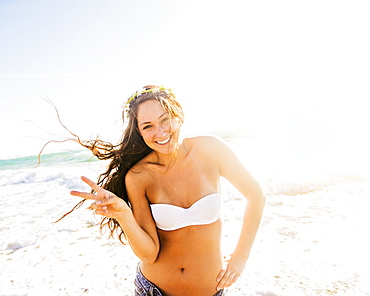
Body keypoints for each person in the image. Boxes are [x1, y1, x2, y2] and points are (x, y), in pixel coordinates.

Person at [66, 85, 265, 296]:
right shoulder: (138, 176)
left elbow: (256, 196)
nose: (160, 132)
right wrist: (125, 215)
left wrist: (240, 257)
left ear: (178, 115)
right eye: (148, 126)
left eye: (164, 119)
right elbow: (149, 254)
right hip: (154, 290)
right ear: (139, 133)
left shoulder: (211, 149)